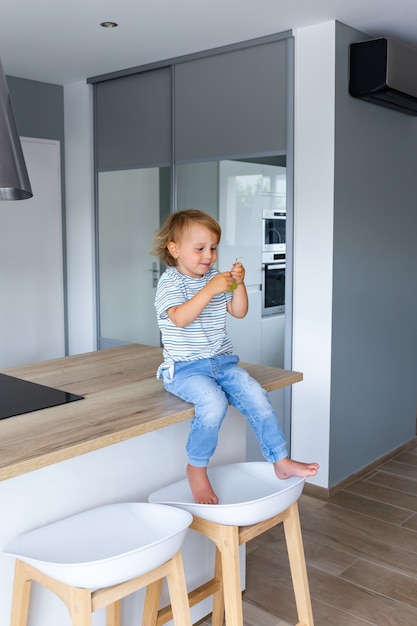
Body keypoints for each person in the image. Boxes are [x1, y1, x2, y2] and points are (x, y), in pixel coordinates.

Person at [152, 209, 318, 504]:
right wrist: (209, 289)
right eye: (200, 248)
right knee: (213, 403)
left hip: (223, 363)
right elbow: (180, 318)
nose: (209, 255)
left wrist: (238, 284)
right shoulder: (171, 282)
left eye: (213, 248)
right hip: (186, 369)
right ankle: (196, 468)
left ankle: (280, 460)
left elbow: (239, 311)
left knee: (256, 394)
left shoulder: (216, 278)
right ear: (174, 250)